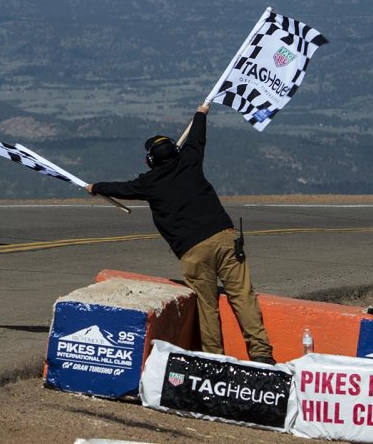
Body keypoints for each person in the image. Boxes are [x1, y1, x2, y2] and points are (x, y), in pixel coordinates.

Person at [86, 103, 274, 364]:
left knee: (207, 307)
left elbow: (120, 188)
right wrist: (201, 113)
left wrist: (95, 187)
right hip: (225, 237)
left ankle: (214, 359)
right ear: (175, 151)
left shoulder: (148, 183)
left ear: (151, 161)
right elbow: (198, 136)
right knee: (243, 296)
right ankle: (262, 354)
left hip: (194, 251)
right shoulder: (190, 160)